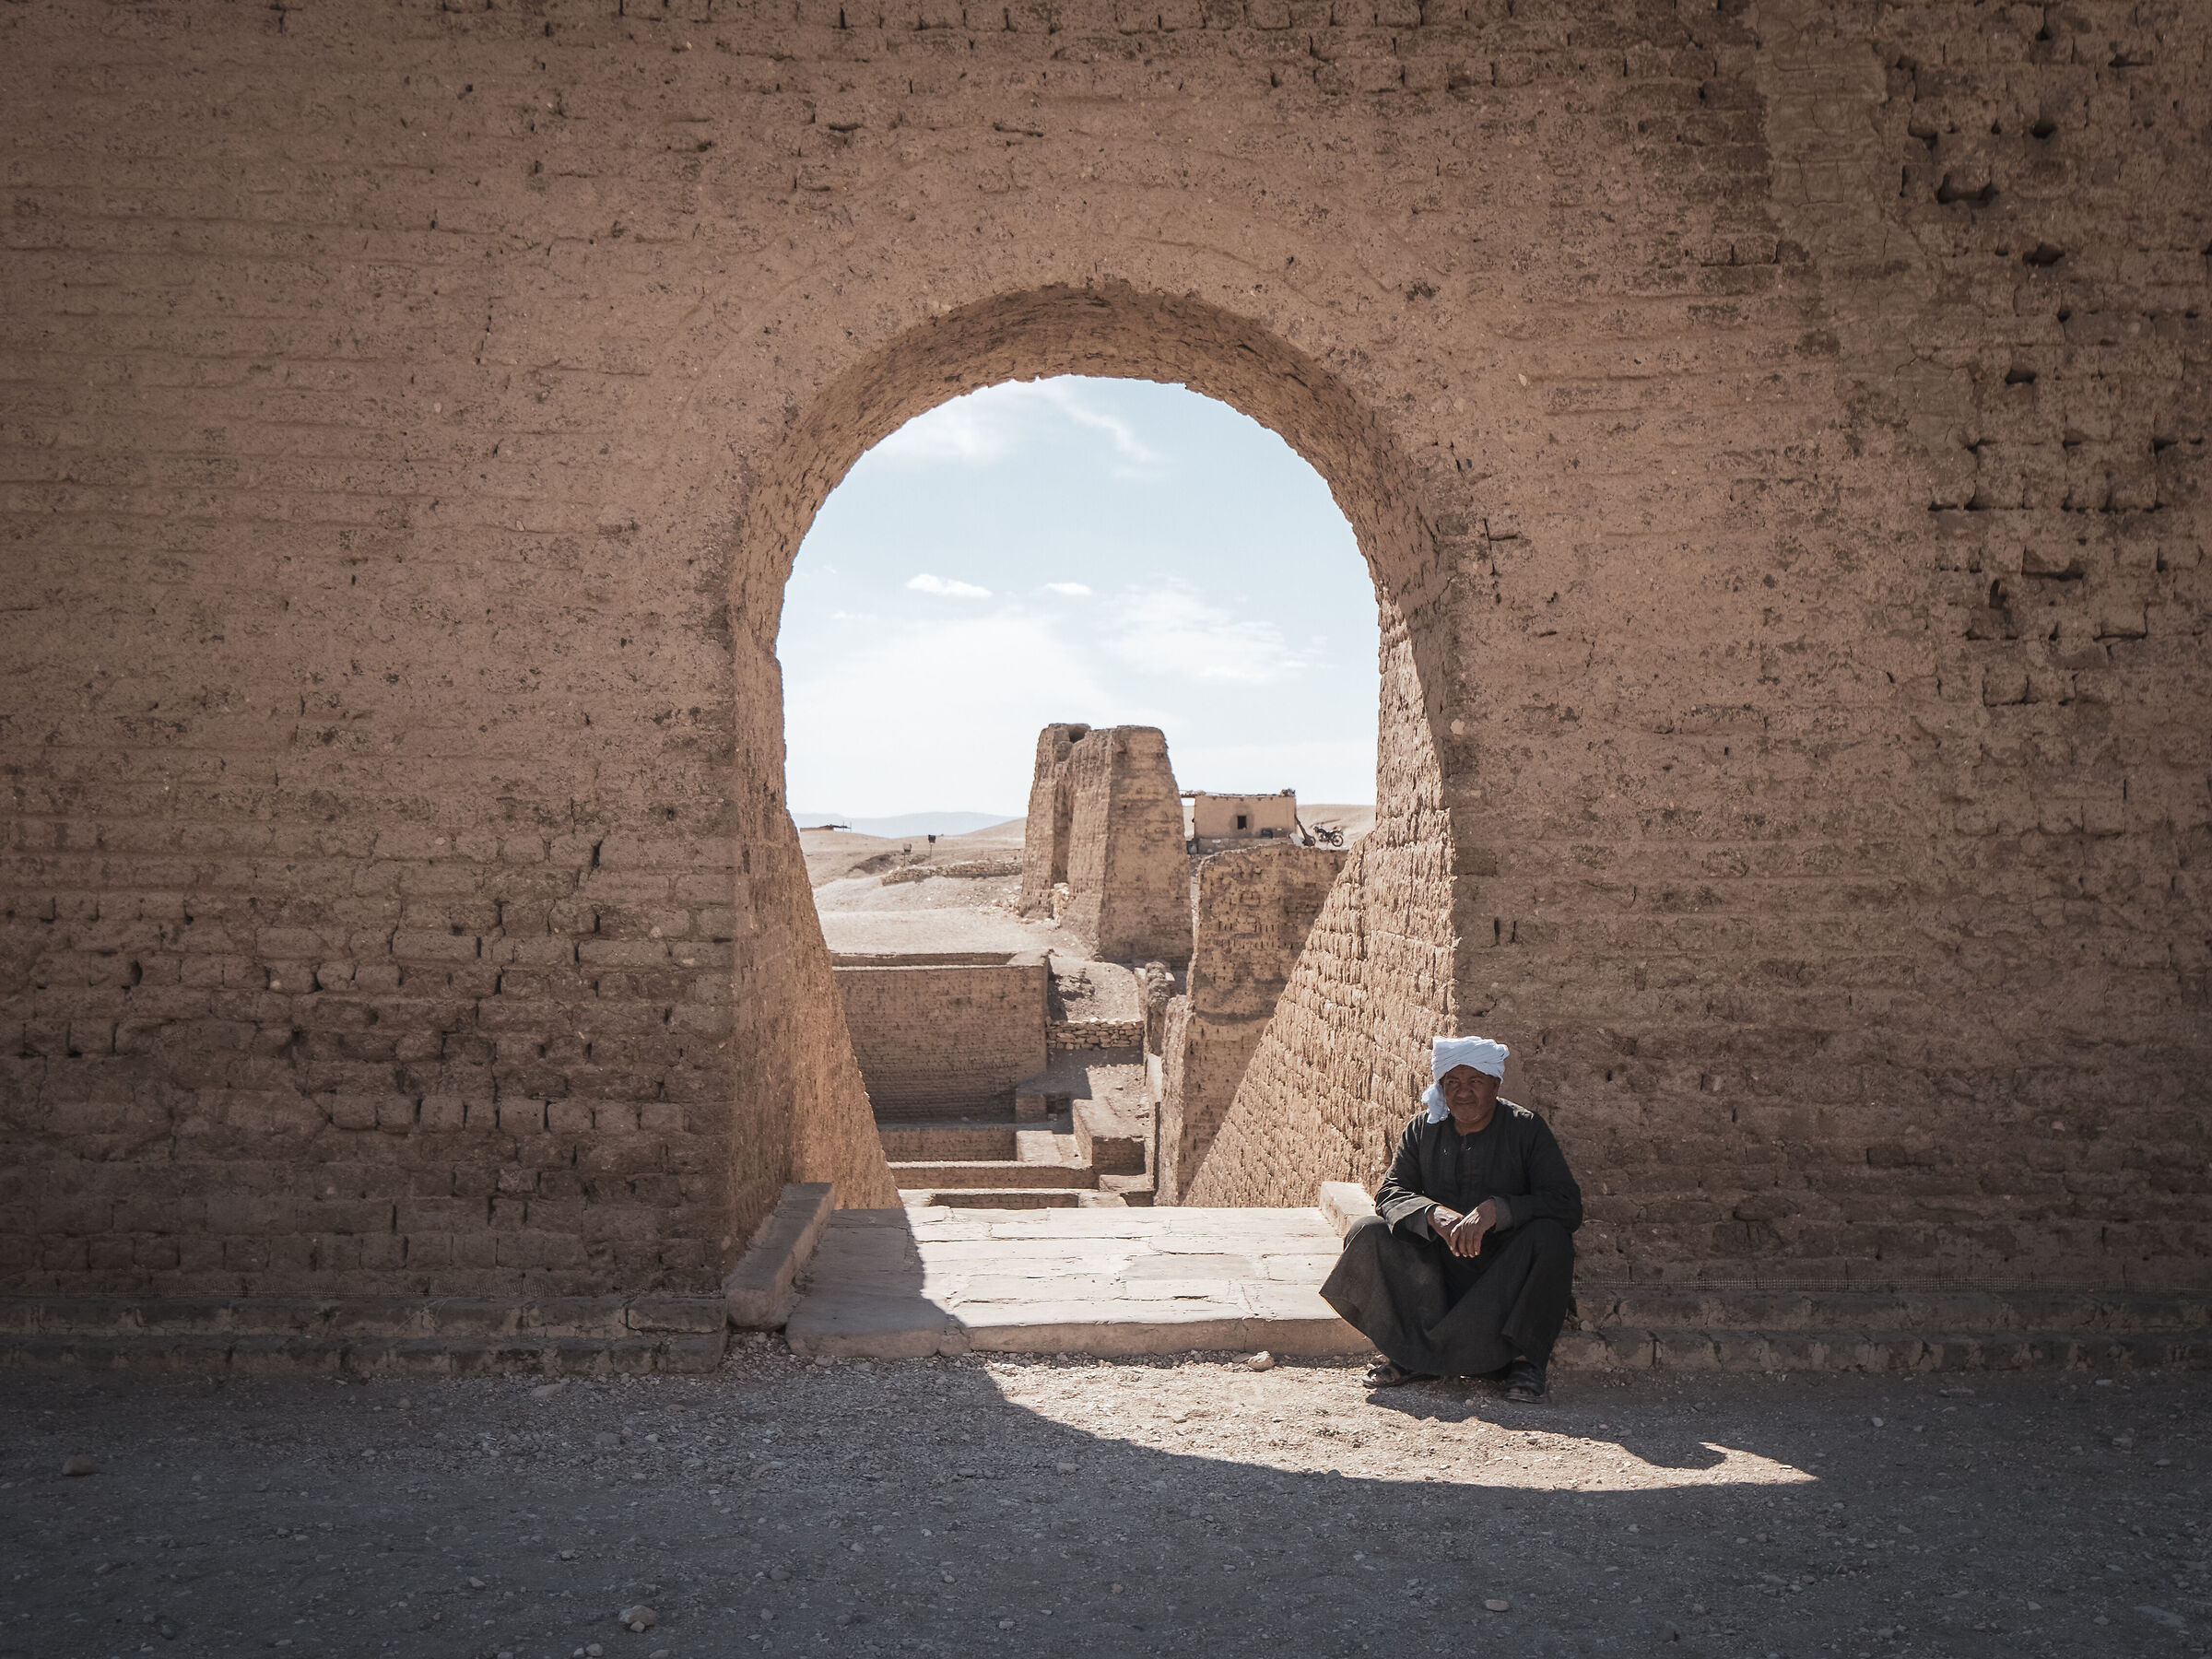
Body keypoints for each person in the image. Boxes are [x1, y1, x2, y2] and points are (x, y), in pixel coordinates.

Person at [1319, 1035, 1582, 1400]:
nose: (1463, 1093)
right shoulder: (1423, 1128)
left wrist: (1498, 1211)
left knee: (1551, 1238)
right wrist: (1432, 1214)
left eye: (1474, 1081)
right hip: (1437, 1267)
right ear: (1441, 1085)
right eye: (1452, 1082)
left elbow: (1566, 1203)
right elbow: (1391, 1192)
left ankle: (1524, 1361)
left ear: (1495, 1084)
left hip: (1502, 1272)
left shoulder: (1525, 1129)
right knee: (1369, 1232)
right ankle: (1410, 1353)